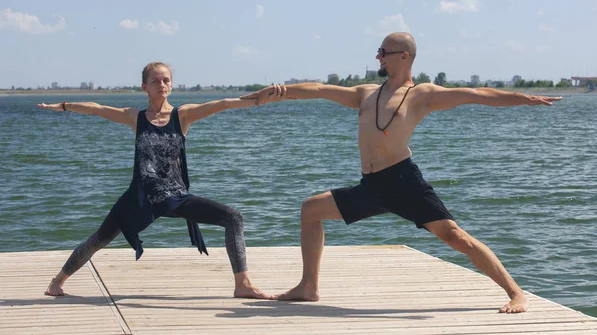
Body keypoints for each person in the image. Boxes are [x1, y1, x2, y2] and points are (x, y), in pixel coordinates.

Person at [244, 32, 562, 313]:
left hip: (403, 182)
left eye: (383, 52)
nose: (378, 57)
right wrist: (278, 91)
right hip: (371, 185)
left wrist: (523, 98)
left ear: (404, 56)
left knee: (455, 237)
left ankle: (516, 293)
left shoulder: (422, 95)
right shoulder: (366, 93)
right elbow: (319, 89)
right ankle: (308, 287)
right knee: (311, 209)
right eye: (379, 52)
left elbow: (475, 94)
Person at [39, 61, 280, 299]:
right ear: (145, 86)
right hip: (140, 197)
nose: (161, 84)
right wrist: (63, 106)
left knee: (233, 218)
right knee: (99, 238)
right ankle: (57, 282)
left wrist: (259, 98)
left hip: (175, 196)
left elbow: (222, 104)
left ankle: (243, 284)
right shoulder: (136, 118)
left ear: (171, 85)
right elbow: (96, 108)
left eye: (165, 80)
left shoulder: (182, 115)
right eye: (155, 80)